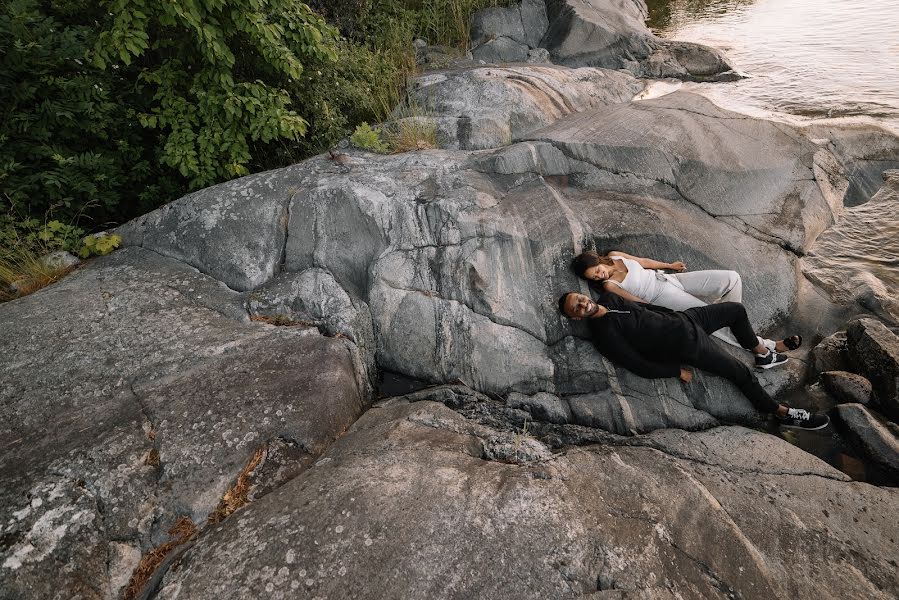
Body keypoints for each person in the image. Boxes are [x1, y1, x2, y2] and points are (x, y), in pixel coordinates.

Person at [557, 290, 829, 430]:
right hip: (688, 346)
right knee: (739, 374)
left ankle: (763, 354)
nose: (582, 304)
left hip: (688, 319)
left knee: (735, 310)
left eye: (580, 299)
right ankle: (784, 414)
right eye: (576, 308)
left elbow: (645, 308)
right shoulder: (604, 335)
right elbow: (637, 364)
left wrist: (675, 314)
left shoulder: (608, 297)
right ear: (576, 317)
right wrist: (675, 370)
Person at [572, 250, 802, 354]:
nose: (599, 276)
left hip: (670, 279)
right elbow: (639, 302)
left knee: (732, 278)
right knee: (712, 316)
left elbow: (642, 261)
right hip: (662, 296)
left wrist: (669, 266)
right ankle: (766, 347)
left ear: (598, 260)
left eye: (597, 270)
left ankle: (733, 322)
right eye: (594, 277)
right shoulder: (611, 287)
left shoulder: (615, 256)